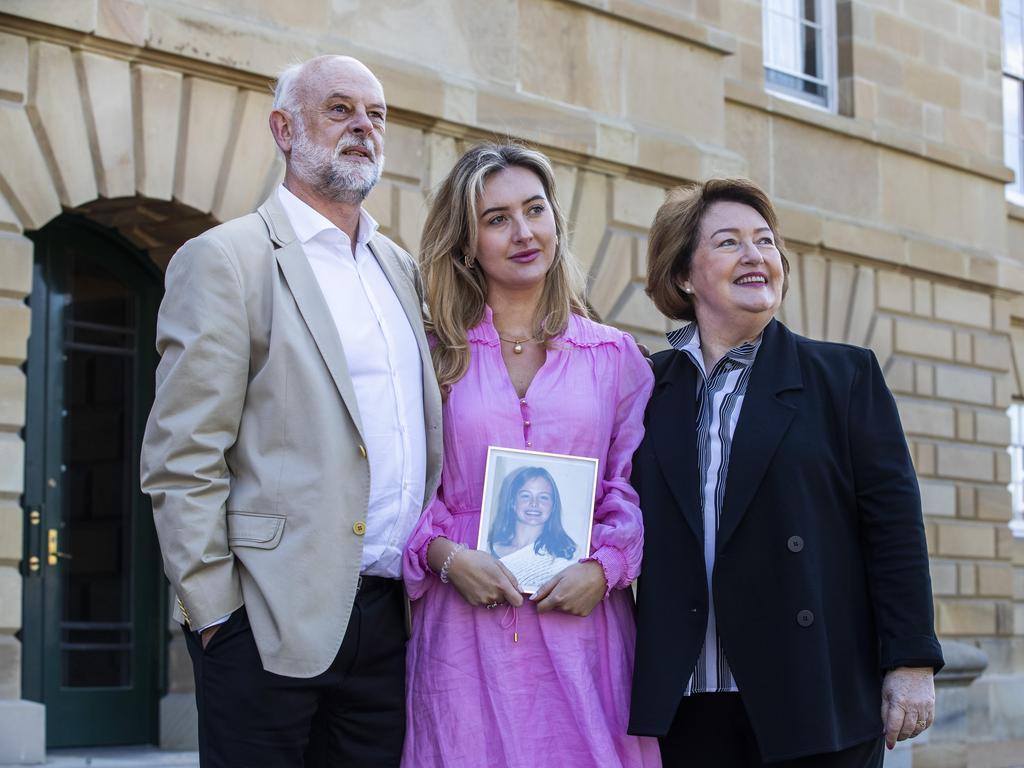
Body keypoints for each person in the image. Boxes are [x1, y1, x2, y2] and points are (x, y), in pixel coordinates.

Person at [140, 55, 442, 767]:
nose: (364, 127)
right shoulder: (226, 259)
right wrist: (217, 617)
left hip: (389, 623)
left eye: (376, 115)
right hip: (265, 624)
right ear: (284, 128)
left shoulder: (401, 271)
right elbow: (181, 456)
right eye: (340, 109)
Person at [628, 178, 944, 767]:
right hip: (687, 699)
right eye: (729, 242)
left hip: (812, 691)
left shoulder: (844, 377)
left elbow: (894, 527)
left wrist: (911, 660)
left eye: (766, 241)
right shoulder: (645, 385)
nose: (755, 255)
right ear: (682, 276)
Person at [402, 142, 660, 767]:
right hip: (462, 627)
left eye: (535, 210)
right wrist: (446, 557)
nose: (523, 233)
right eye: (496, 219)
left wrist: (604, 568)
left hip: (584, 625)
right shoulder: (434, 353)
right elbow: (406, 485)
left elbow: (630, 486)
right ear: (467, 243)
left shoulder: (615, 356)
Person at [488, 466, 577, 590]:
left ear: (553, 506)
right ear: (513, 502)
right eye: (526, 496)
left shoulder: (563, 558)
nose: (534, 503)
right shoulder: (488, 548)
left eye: (543, 497)